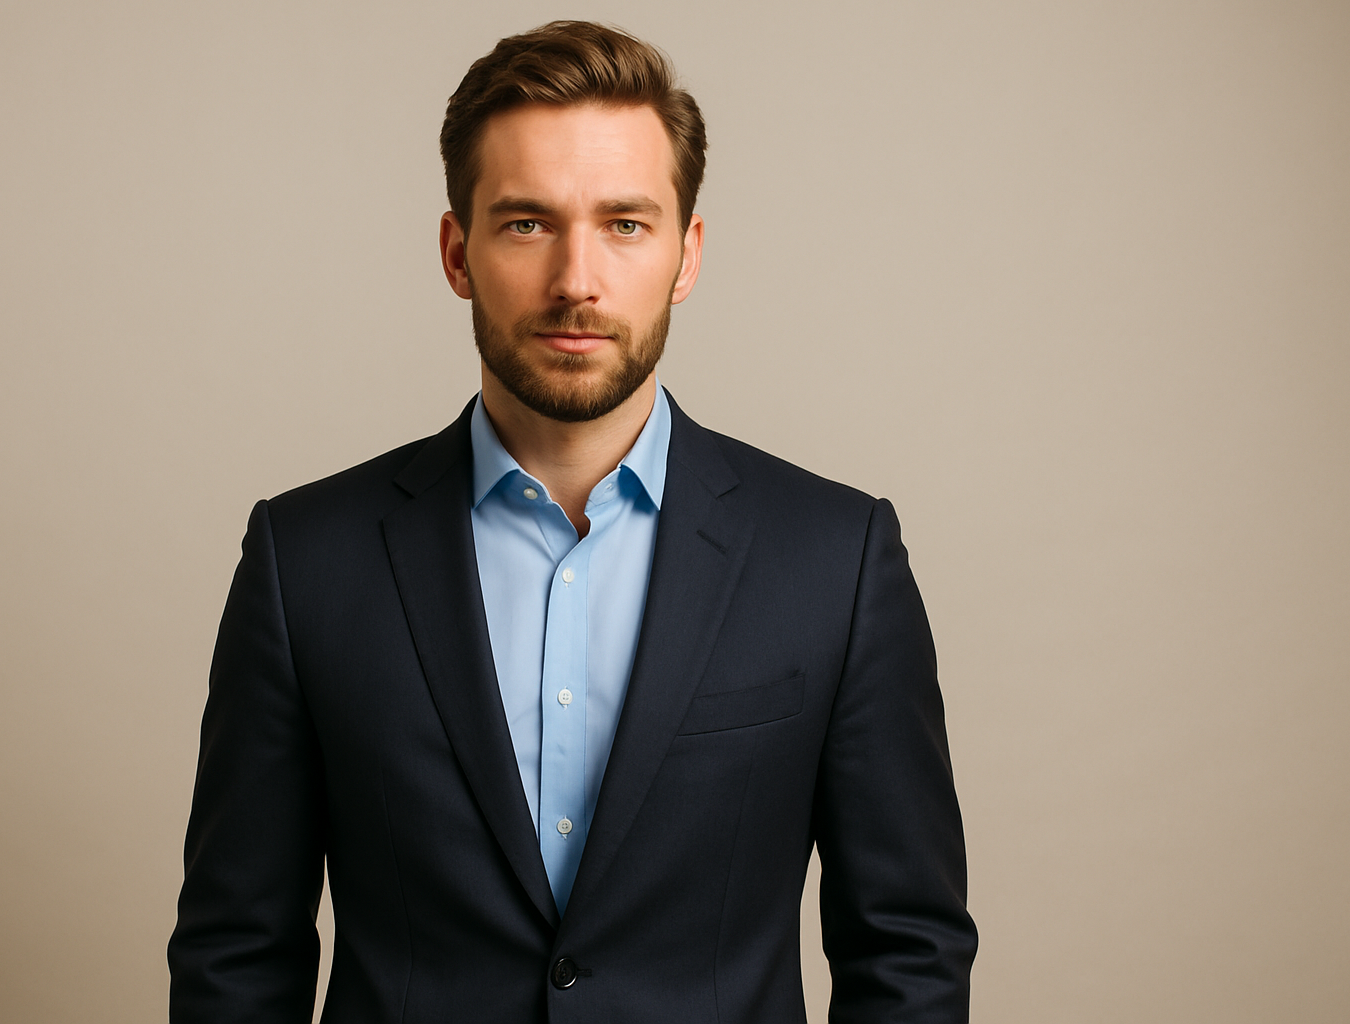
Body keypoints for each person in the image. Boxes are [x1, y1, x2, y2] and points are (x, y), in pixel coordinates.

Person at [169, 20, 976, 1024]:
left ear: (687, 254)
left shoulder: (835, 560)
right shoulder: (306, 563)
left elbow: (908, 950)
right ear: (457, 252)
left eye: (625, 224)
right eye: (526, 223)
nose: (577, 282)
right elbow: (237, 955)